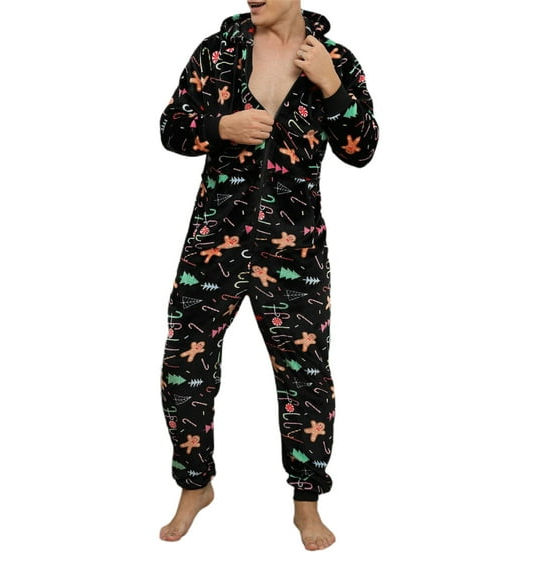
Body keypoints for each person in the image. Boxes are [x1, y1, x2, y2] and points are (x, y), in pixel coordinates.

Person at [158, 0, 378, 550]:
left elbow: (362, 150)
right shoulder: (218, 52)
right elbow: (171, 128)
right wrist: (220, 127)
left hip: (295, 250)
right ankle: (194, 486)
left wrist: (331, 85)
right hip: (214, 240)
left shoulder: (335, 60)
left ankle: (307, 503)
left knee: (306, 378)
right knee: (184, 366)